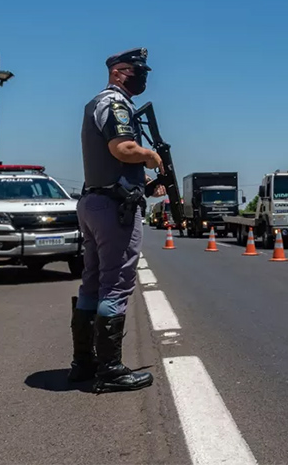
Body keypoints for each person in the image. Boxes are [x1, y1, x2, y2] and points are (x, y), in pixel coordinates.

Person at [69, 47, 166, 393]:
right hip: (113, 209)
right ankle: (109, 369)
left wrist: (144, 184)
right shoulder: (115, 103)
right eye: (137, 71)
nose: (142, 78)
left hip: (95, 201)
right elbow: (122, 149)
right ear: (119, 72)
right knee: (117, 282)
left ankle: (83, 362)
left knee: (92, 283)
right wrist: (151, 156)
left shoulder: (95, 104)